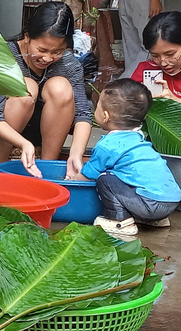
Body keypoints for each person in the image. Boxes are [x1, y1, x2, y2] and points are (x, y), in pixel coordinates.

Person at [0, 2, 92, 178]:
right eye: (42, 50)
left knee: (60, 88)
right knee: (27, 88)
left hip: (38, 128)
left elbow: (83, 115)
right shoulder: (5, 55)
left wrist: (75, 155)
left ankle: (46, 171)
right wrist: (24, 144)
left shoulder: (69, 64)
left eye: (58, 51)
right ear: (27, 37)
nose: (48, 58)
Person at [70, 79, 180, 236]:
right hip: (171, 202)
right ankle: (154, 219)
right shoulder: (138, 137)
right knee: (122, 177)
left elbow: (90, 174)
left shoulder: (108, 145)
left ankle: (119, 221)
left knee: (105, 178)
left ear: (106, 116)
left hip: (151, 204)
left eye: (98, 106)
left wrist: (73, 179)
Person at [131, 11, 181, 102]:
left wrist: (175, 101)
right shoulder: (145, 70)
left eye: (170, 54)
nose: (163, 62)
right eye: (155, 56)